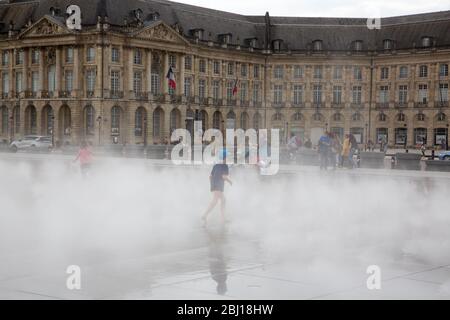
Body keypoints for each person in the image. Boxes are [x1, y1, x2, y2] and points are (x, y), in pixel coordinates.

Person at [202, 149, 233, 226]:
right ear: (224, 157)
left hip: (214, 184)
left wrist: (212, 185)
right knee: (219, 200)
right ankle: (206, 215)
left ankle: (220, 217)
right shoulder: (225, 166)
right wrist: (230, 181)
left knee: (218, 200)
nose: (228, 158)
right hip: (218, 185)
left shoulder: (216, 165)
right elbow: (224, 176)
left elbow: (210, 176)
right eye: (227, 157)